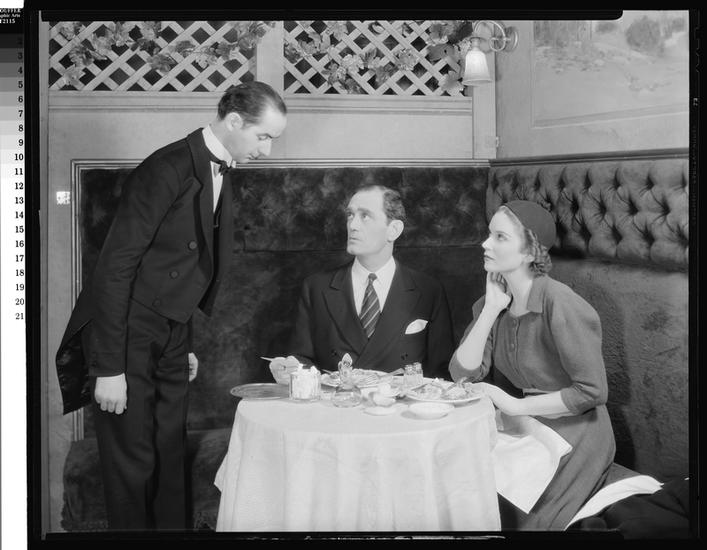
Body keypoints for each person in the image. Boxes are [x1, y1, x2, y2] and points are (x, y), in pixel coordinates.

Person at [54, 81, 287, 530]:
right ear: (234, 121)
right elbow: (115, 268)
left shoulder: (219, 167)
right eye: (263, 136)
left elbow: (175, 266)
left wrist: (179, 341)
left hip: (169, 332)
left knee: (168, 455)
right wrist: (108, 367)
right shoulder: (165, 168)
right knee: (132, 465)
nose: (268, 150)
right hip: (125, 331)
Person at [449, 200, 616, 530]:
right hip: (530, 423)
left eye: (500, 237)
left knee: (521, 520)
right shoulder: (492, 303)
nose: (485, 244)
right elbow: (462, 375)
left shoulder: (560, 302)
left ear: (529, 252)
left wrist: (514, 405)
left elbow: (592, 392)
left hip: (579, 432)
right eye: (489, 234)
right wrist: (490, 310)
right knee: (466, 493)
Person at [287, 184, 454, 379]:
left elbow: (441, 372)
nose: (353, 225)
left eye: (365, 216)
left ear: (394, 230)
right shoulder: (316, 288)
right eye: (350, 215)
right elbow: (301, 360)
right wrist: (289, 369)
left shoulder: (428, 291)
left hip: (402, 399)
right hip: (337, 398)